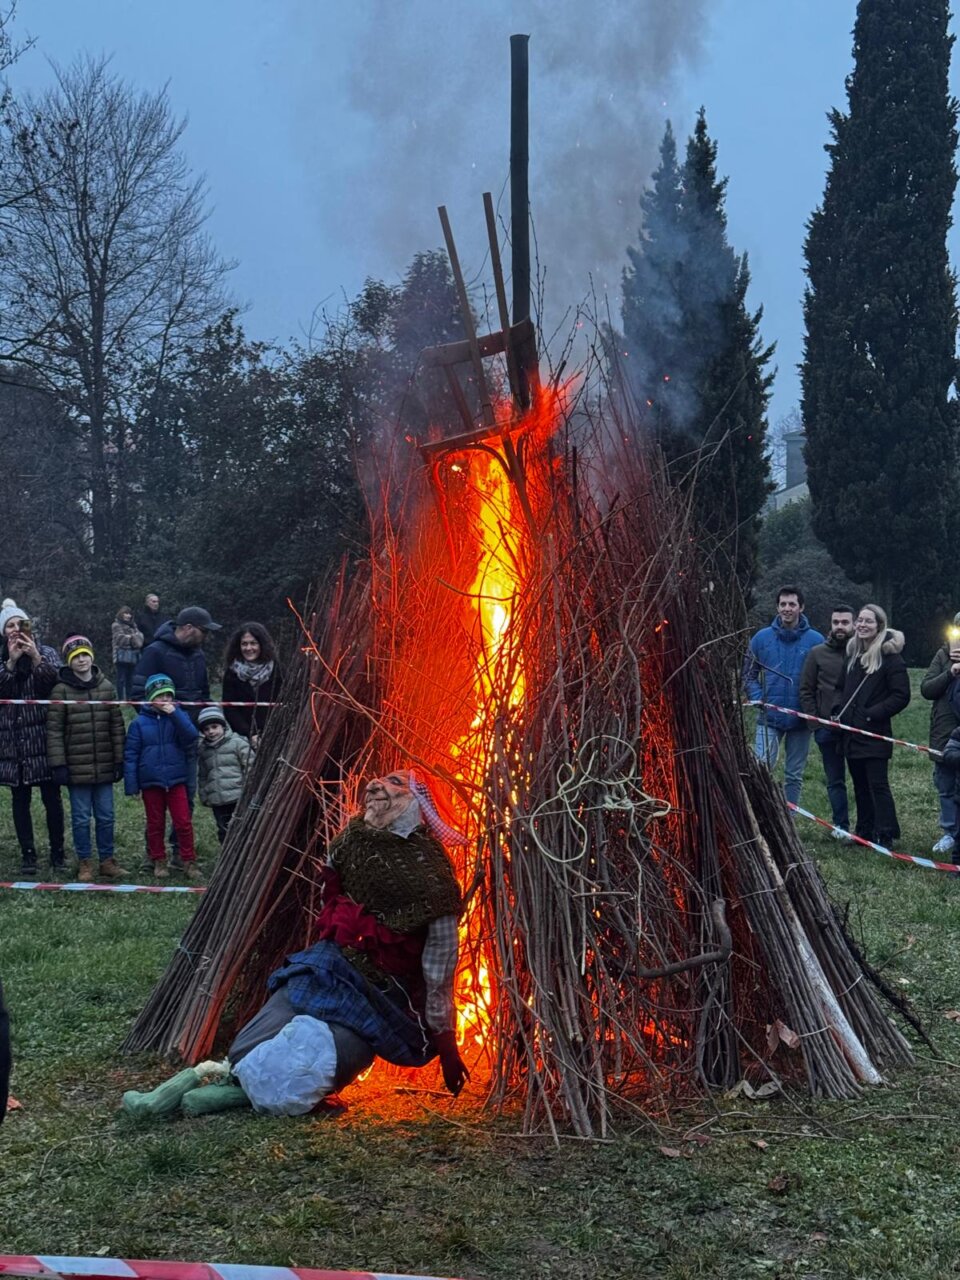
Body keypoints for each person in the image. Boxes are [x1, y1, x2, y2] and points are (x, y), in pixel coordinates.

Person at [122, 768, 469, 1119]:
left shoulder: (431, 877)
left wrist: (448, 1047)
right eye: (382, 779)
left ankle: (240, 1094)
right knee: (246, 1048)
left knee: (333, 1053)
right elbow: (329, 894)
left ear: (419, 803)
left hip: (381, 993)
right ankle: (197, 1085)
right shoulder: (350, 841)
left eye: (398, 783)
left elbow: (439, 972)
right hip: (332, 966)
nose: (378, 785)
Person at [132, 605, 221, 862]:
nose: (206, 637)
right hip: (160, 743)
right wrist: (163, 721)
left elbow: (203, 695)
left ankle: (180, 852)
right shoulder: (154, 652)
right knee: (157, 805)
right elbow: (138, 696)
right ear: (189, 628)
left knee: (186, 800)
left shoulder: (199, 655)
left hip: (189, 739)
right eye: (204, 631)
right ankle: (155, 854)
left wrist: (208, 720)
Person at [47, 635, 127, 883]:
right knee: (81, 818)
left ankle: (107, 860)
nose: (81, 660)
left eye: (84, 654)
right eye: (75, 656)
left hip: (103, 764)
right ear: (69, 661)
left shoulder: (107, 687)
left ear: (91, 656)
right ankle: (84, 861)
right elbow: (54, 730)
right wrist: (58, 764)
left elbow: (116, 724)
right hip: (75, 767)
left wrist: (119, 759)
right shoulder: (60, 690)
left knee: (106, 816)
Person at [836, 603, 910, 849]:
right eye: (860, 620)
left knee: (878, 785)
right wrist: (838, 712)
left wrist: (871, 715)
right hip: (851, 733)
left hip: (874, 732)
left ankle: (886, 833)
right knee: (859, 784)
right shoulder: (852, 656)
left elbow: (901, 696)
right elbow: (840, 689)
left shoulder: (891, 659)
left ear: (880, 626)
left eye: (869, 621)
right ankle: (864, 832)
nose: (862, 625)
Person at [0, 599, 65, 876]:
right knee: (20, 800)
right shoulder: (2, 657)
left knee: (52, 799)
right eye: (10, 626)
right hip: (13, 740)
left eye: (20, 624)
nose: (16, 630)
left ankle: (58, 853)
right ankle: (28, 855)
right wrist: (11, 663)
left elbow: (56, 685)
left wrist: (35, 656)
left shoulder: (47, 652)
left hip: (43, 736)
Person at [743, 586, 825, 806]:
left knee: (794, 774)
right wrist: (759, 698)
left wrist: (814, 708)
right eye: (783, 604)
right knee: (761, 768)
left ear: (801, 607)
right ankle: (761, 812)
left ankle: (789, 818)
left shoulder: (816, 641)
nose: (787, 609)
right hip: (769, 717)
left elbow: (824, 679)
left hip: (801, 720)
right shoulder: (761, 638)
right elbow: (748, 675)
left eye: (792, 604)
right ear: (777, 607)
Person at [124, 673, 201, 881]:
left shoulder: (179, 716)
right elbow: (131, 754)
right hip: (151, 782)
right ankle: (158, 859)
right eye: (160, 696)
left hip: (176, 780)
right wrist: (132, 784)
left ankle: (188, 860)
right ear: (150, 699)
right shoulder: (139, 723)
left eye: (168, 695)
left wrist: (175, 715)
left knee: (183, 822)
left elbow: (191, 736)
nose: (165, 700)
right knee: (155, 823)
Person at [799, 605, 856, 839]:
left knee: (863, 781)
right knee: (835, 780)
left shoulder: (862, 652)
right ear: (831, 625)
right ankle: (840, 825)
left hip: (857, 729)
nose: (840, 627)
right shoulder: (817, 653)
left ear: (853, 624)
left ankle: (866, 828)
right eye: (836, 622)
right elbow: (806, 689)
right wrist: (816, 723)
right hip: (826, 729)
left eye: (845, 622)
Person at [920, 613, 960, 857]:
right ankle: (950, 832)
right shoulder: (943, 655)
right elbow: (926, 689)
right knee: (945, 785)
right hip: (945, 733)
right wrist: (950, 671)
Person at [221, 622, 283, 748]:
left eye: (253, 643)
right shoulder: (232, 673)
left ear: (262, 644)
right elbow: (230, 708)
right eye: (244, 644)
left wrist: (271, 732)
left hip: (275, 737)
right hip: (243, 738)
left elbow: (284, 704)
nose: (249, 648)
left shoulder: (277, 670)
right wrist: (251, 734)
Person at [197, 705, 251, 845]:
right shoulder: (203, 750)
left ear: (223, 725)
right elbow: (203, 775)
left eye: (214, 727)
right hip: (218, 800)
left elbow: (250, 767)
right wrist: (204, 794)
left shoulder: (238, 743)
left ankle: (242, 856)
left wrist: (248, 790)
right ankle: (227, 856)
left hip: (238, 797)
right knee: (223, 830)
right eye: (206, 729)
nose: (211, 731)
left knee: (242, 828)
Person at [111, 606, 143, 703]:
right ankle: (120, 699)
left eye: (130, 614)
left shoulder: (134, 625)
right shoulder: (116, 625)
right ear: (121, 614)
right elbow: (120, 639)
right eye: (126, 613)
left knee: (131, 678)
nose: (128, 616)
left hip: (133, 656)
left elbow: (141, 638)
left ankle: (129, 698)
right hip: (121, 656)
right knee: (121, 678)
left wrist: (131, 638)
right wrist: (133, 638)